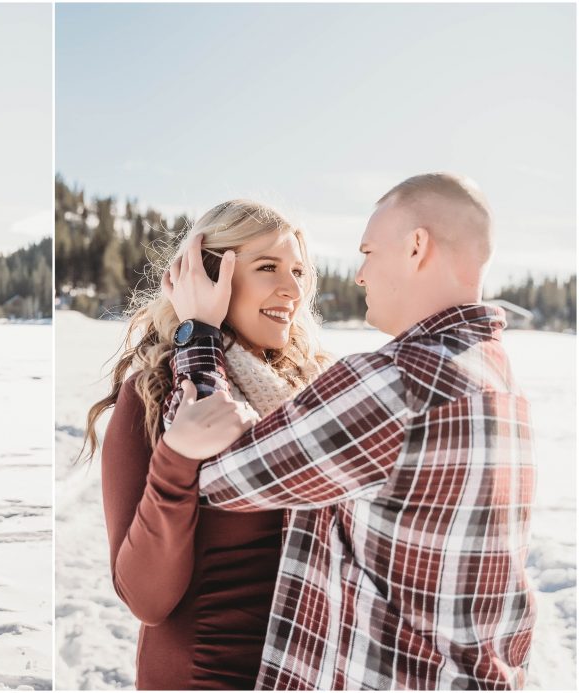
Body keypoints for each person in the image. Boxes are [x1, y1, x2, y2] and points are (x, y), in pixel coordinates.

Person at [162, 173, 536, 689]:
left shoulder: (399, 382)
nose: (359, 275)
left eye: (368, 252)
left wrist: (197, 333)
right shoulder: (501, 382)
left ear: (416, 247)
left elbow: (213, 468)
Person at [83, 200, 331, 689]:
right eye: (268, 267)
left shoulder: (312, 391)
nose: (293, 289)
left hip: (308, 674)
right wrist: (177, 460)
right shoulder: (153, 395)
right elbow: (146, 598)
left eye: (300, 271)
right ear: (210, 274)